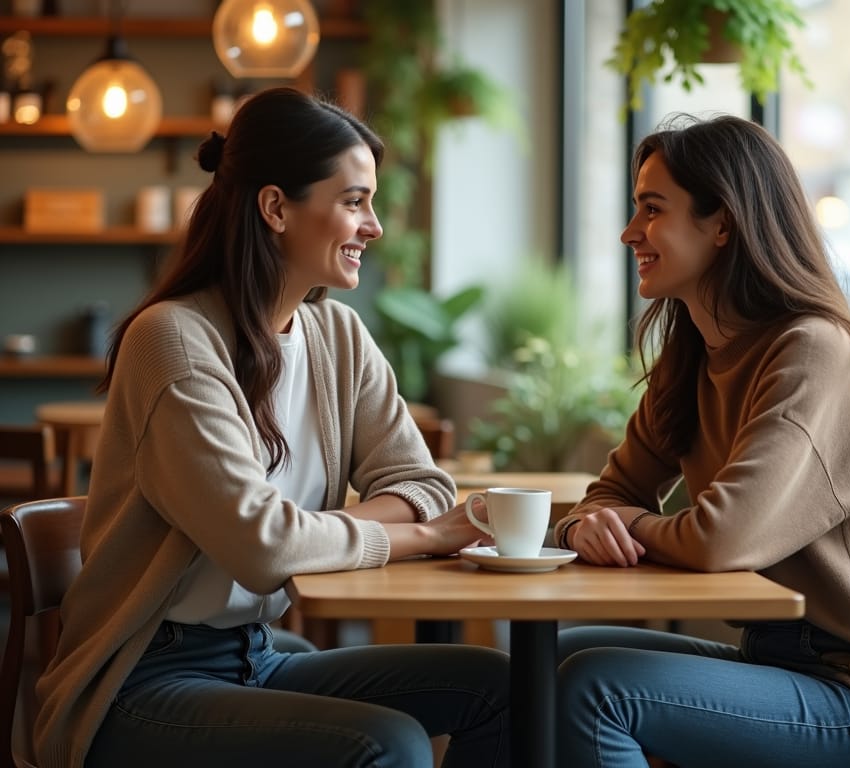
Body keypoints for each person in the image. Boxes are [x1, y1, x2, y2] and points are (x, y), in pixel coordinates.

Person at [33, 86, 509, 768]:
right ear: (276, 207)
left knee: (499, 686)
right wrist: (423, 537)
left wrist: (355, 530)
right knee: (389, 745)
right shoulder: (172, 340)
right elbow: (261, 546)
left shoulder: (338, 336)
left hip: (258, 655)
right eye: (354, 201)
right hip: (138, 680)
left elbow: (422, 479)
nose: (373, 225)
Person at [552, 114, 850, 768]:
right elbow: (608, 495)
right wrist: (584, 526)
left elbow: (722, 539)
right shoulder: (694, 355)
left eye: (652, 209)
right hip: (775, 660)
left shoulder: (813, 350)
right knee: (548, 661)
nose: (628, 233)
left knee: (597, 689)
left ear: (723, 223)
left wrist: (626, 522)